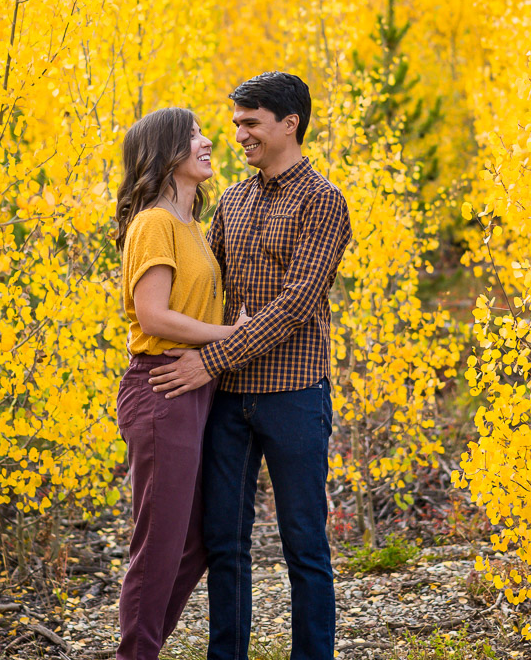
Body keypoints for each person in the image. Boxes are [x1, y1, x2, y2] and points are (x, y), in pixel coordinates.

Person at [149, 72, 352, 660]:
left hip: (293, 396)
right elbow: (205, 287)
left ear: (289, 124)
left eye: (251, 122)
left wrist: (206, 359)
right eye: (236, 123)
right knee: (225, 544)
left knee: (305, 546)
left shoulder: (323, 202)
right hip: (230, 400)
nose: (239, 134)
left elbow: (294, 305)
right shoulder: (233, 199)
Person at [113, 106, 247, 660]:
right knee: (160, 543)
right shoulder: (154, 224)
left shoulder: (192, 226)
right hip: (162, 390)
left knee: (193, 543)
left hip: (195, 391)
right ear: (168, 152)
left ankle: (142, 649)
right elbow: (154, 316)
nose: (208, 140)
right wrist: (228, 336)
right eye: (193, 136)